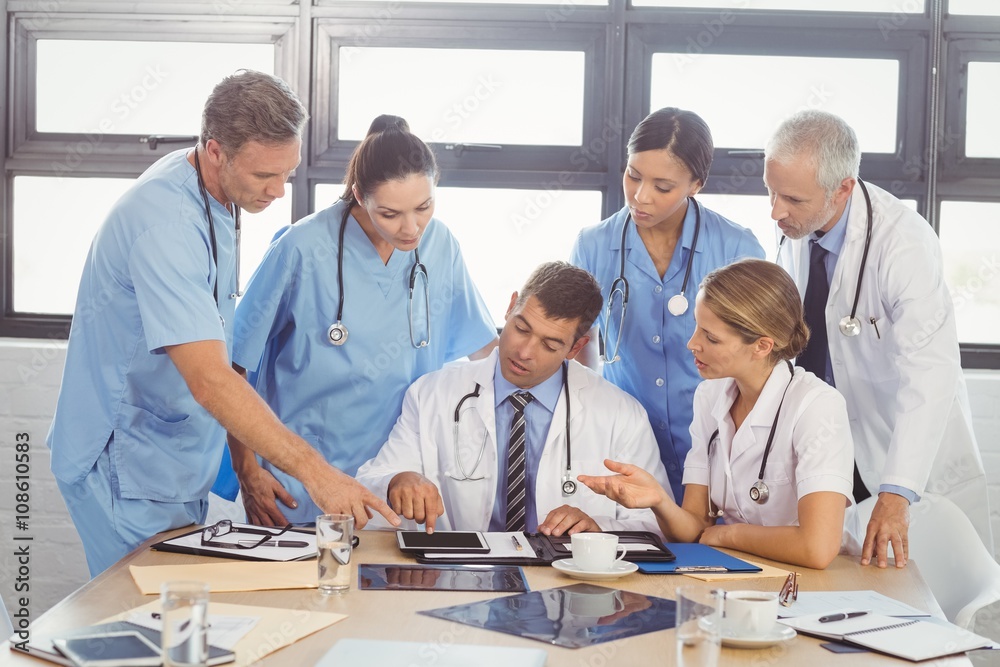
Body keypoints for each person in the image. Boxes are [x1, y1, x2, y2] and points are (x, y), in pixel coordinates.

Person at [46, 71, 399, 577]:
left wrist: (244, 463)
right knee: (146, 630)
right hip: (123, 461)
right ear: (215, 151)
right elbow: (211, 378)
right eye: (263, 177)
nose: (279, 191)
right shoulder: (165, 224)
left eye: (288, 173)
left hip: (173, 457)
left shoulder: (216, 193)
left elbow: (223, 343)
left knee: (183, 622)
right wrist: (319, 475)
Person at [226, 115, 497, 526]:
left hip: (401, 478)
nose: (411, 229)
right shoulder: (301, 248)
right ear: (359, 195)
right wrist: (247, 471)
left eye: (423, 207)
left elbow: (483, 348)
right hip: (304, 481)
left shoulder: (440, 244)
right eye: (390, 214)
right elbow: (234, 365)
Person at [764, 110, 992, 568]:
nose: (775, 211)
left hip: (894, 443)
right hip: (828, 439)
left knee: (912, 595)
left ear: (843, 188)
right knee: (827, 580)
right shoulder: (796, 224)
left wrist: (897, 491)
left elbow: (931, 373)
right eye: (770, 191)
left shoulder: (902, 245)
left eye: (791, 198)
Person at [355, 261, 670, 536]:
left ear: (575, 349)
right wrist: (398, 480)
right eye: (521, 328)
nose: (524, 353)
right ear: (511, 306)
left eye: (550, 344)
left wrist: (599, 529)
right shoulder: (431, 394)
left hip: (568, 582)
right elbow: (373, 482)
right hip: (462, 576)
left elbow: (655, 524)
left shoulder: (622, 414)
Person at [580, 259, 854, 569]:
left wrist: (728, 535)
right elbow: (695, 527)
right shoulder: (710, 397)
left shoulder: (816, 406)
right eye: (696, 327)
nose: (692, 343)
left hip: (814, 583)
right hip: (742, 571)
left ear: (762, 346)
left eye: (711, 338)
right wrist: (658, 500)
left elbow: (816, 548)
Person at [570, 107, 765, 501]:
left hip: (718, 445)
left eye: (662, 187)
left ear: (696, 183)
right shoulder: (592, 245)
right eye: (633, 175)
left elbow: (762, 361)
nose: (640, 197)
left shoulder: (737, 247)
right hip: (624, 444)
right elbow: (577, 351)